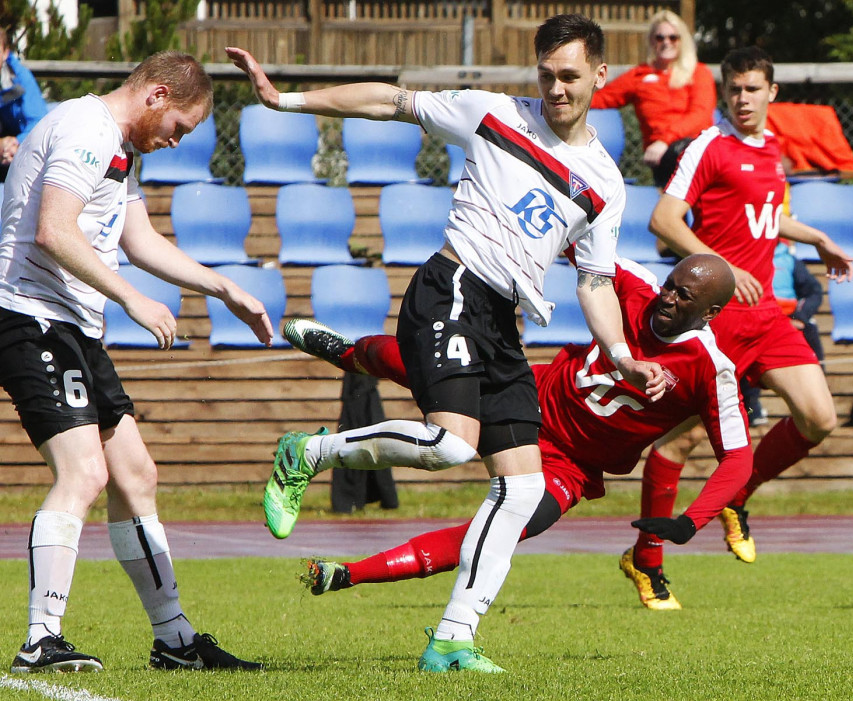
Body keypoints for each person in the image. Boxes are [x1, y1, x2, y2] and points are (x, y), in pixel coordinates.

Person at [228, 13, 665, 674]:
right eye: (546, 74)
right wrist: (287, 98)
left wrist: (624, 353)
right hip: (452, 287)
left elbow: (596, 282)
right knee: (453, 444)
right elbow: (389, 100)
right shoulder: (492, 113)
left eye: (570, 76)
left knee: (522, 488)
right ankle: (308, 451)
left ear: (601, 75)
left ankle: (453, 636)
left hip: (504, 322)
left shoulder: (605, 183)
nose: (555, 88)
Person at [0, 50, 271, 674]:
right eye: (179, 127)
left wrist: (225, 288)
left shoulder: (120, 149)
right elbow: (54, 230)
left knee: (136, 476)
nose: (175, 142)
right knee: (84, 474)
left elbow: (138, 241)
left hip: (74, 326)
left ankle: (174, 642)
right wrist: (132, 298)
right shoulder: (85, 129)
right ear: (155, 94)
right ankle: (41, 638)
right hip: (31, 316)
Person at [281, 253, 750, 612]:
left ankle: (349, 574)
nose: (667, 297)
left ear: (709, 314)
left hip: (573, 464)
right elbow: (574, 240)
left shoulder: (713, 370)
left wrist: (691, 522)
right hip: (525, 398)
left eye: (684, 297)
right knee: (420, 366)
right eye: (671, 285)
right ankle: (346, 353)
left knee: (504, 531)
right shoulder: (633, 283)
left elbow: (739, 458)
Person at [638, 46, 853, 579]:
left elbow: (769, 216)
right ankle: (647, 560)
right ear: (725, 93)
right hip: (718, 321)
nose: (742, 99)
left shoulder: (771, 149)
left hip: (764, 319)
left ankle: (738, 495)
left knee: (820, 418)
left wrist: (817, 238)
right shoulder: (709, 146)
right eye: (734, 89)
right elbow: (664, 220)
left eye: (752, 89)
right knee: (682, 440)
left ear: (771, 93)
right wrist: (727, 269)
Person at [590, 10, 716, 187]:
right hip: (665, 158)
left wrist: (664, 140)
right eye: (660, 38)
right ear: (651, 41)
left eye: (673, 37)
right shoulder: (639, 76)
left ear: (682, 41)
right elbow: (601, 98)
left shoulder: (698, 73)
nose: (666, 42)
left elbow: (700, 115)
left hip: (695, 147)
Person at [741, 241, 825, 424]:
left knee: (810, 329)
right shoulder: (746, 256)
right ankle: (750, 407)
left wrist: (800, 316)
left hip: (789, 316)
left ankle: (816, 400)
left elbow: (814, 291)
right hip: (756, 316)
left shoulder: (788, 259)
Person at [0, 27, 48, 181]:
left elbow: (38, 122)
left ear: (5, 52)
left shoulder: (20, 78)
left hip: (16, 150)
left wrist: (16, 143)